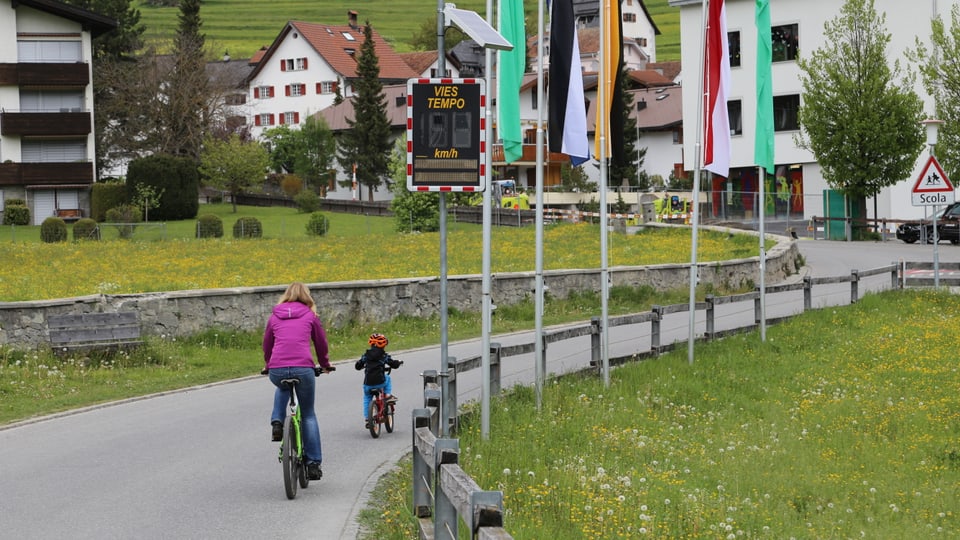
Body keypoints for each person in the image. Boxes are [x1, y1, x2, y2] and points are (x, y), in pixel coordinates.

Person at [262, 282, 333, 481]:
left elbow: (267, 344)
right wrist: (325, 364)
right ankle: (313, 464)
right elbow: (321, 343)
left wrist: (268, 365)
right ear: (307, 296)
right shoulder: (310, 316)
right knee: (308, 414)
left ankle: (277, 421)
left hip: (277, 368)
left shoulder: (275, 316)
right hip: (304, 368)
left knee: (282, 385)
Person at [355, 333, 402, 429]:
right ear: (383, 345)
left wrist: (360, 364)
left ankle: (368, 418)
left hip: (367, 384)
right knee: (388, 378)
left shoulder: (366, 356)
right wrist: (398, 363)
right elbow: (393, 364)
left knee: (367, 398)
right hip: (380, 382)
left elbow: (358, 366)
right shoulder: (383, 356)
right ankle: (388, 396)